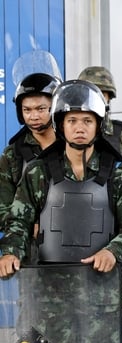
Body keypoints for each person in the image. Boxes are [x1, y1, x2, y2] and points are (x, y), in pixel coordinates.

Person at [0, 79, 122, 343]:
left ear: (99, 125)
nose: (80, 128)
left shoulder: (117, 174)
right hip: (49, 298)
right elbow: (17, 222)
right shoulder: (38, 172)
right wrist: (10, 251)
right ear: (60, 124)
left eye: (87, 121)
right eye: (72, 120)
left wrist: (114, 251)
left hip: (100, 299)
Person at [1, 50, 61, 223]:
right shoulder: (13, 155)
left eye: (41, 109)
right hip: (28, 239)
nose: (33, 116)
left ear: (55, 107)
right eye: (27, 110)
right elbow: (2, 208)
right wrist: (28, 225)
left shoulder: (72, 146)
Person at [77, 66, 122, 177]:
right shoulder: (69, 131)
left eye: (102, 95)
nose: (95, 99)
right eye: (90, 94)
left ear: (109, 98)